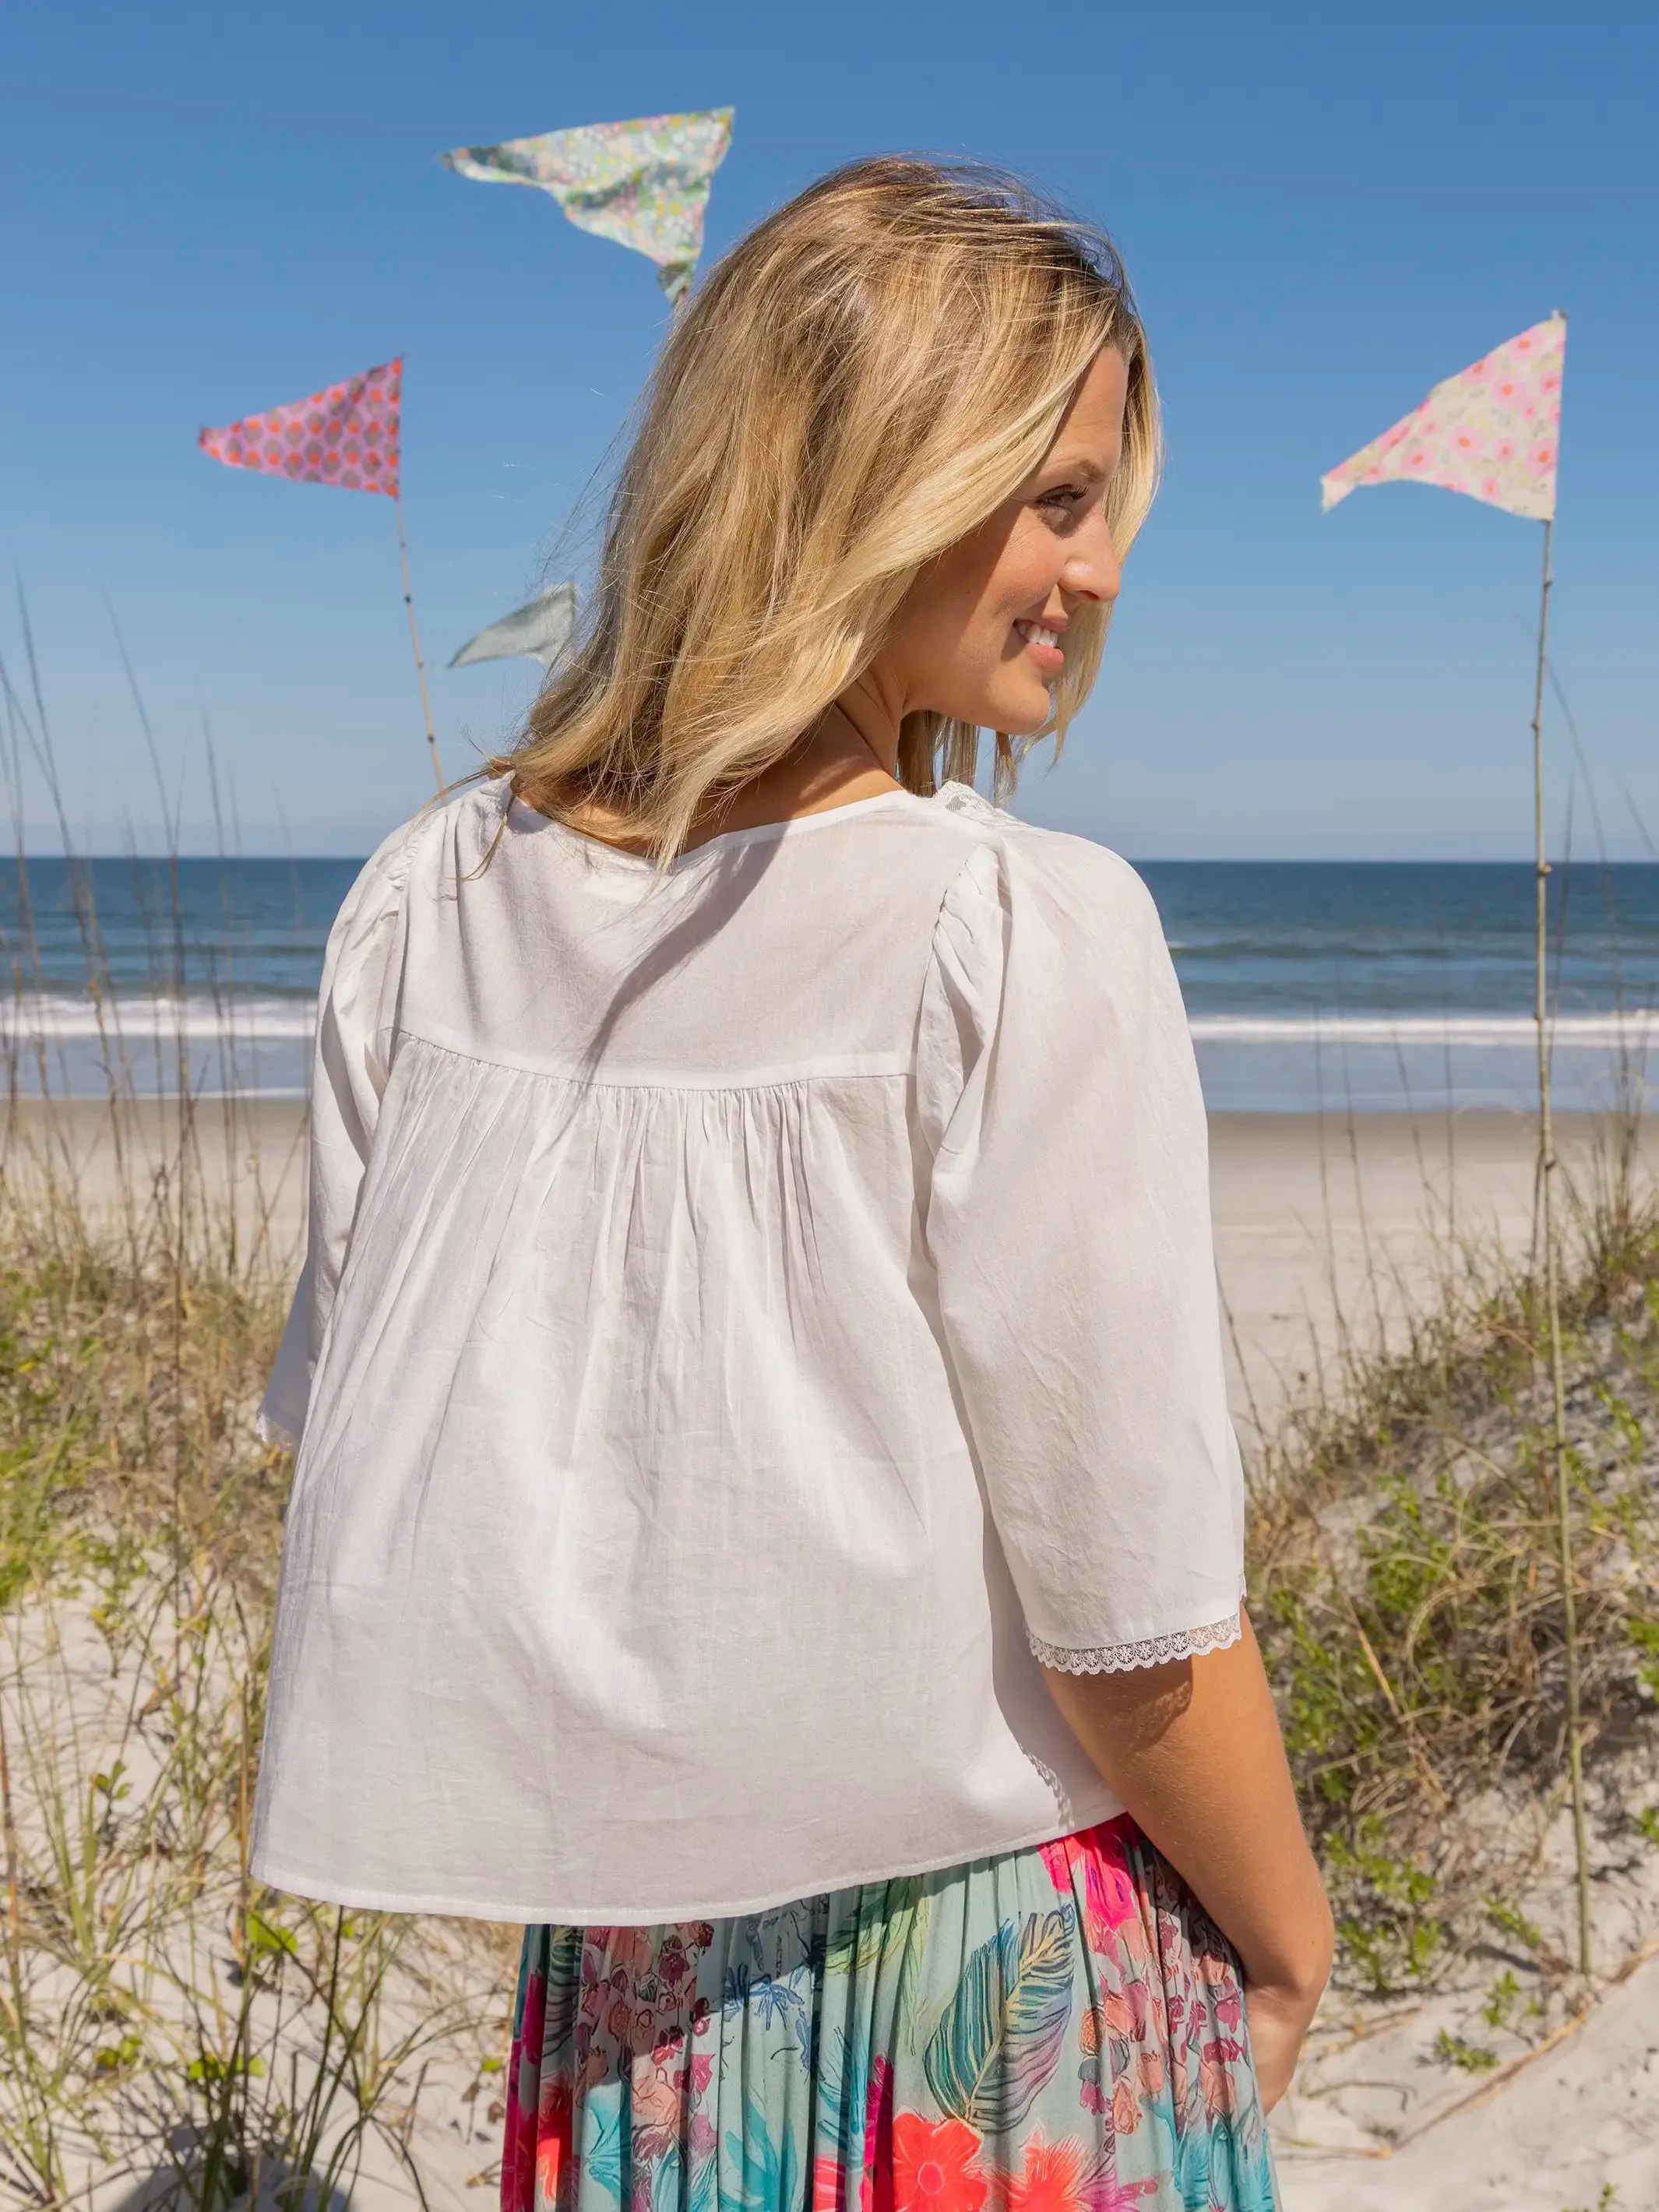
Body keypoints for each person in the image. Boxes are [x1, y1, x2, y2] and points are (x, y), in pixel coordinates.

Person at [255, 157, 1333, 2212]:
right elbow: (1129, 1619)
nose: (1099, 569)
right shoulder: (1013, 934)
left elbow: (378, 1461)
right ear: (878, 480)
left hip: (626, 1994)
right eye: (1056, 497)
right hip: (991, 1967)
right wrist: (1289, 1942)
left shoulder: (425, 905)